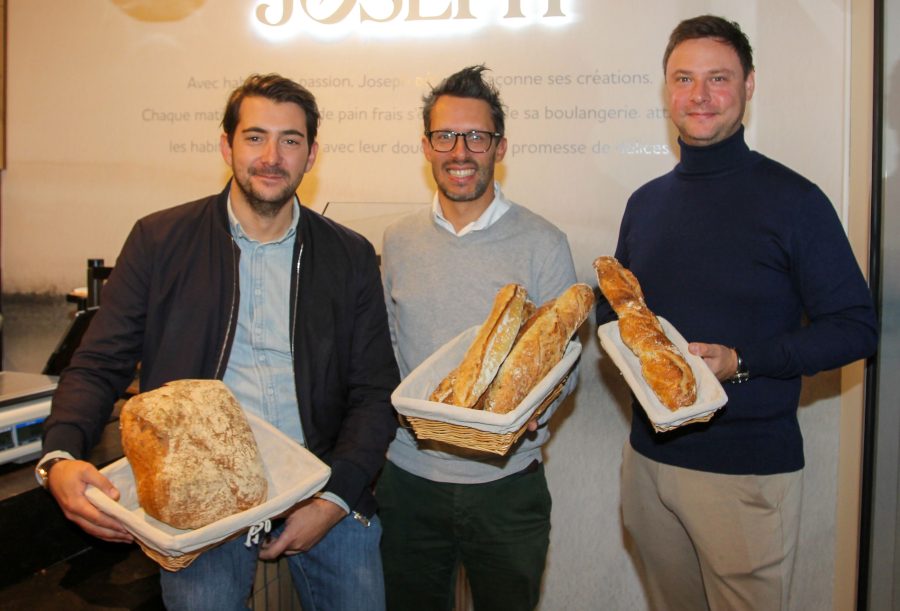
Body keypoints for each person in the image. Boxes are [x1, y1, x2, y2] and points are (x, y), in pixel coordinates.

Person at [36, 73, 400, 611]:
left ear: (312, 154)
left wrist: (336, 497)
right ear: (226, 145)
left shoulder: (349, 256)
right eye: (255, 137)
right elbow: (97, 364)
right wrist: (59, 455)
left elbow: (375, 391)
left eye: (290, 140)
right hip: (199, 496)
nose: (272, 156)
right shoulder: (159, 241)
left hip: (321, 482)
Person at [599, 15, 879, 611]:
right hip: (648, 460)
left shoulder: (795, 201)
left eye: (717, 78)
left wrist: (742, 360)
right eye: (683, 79)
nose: (698, 96)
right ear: (665, 89)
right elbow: (624, 313)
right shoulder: (645, 203)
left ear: (749, 86)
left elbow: (856, 327)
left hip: (746, 472)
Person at [377, 65, 578, 611]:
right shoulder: (397, 241)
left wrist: (539, 404)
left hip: (507, 485)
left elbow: (564, 363)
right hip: (410, 481)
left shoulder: (544, 242)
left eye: (476, 137)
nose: (459, 150)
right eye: (445, 136)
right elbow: (390, 350)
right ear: (425, 146)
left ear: (500, 146)